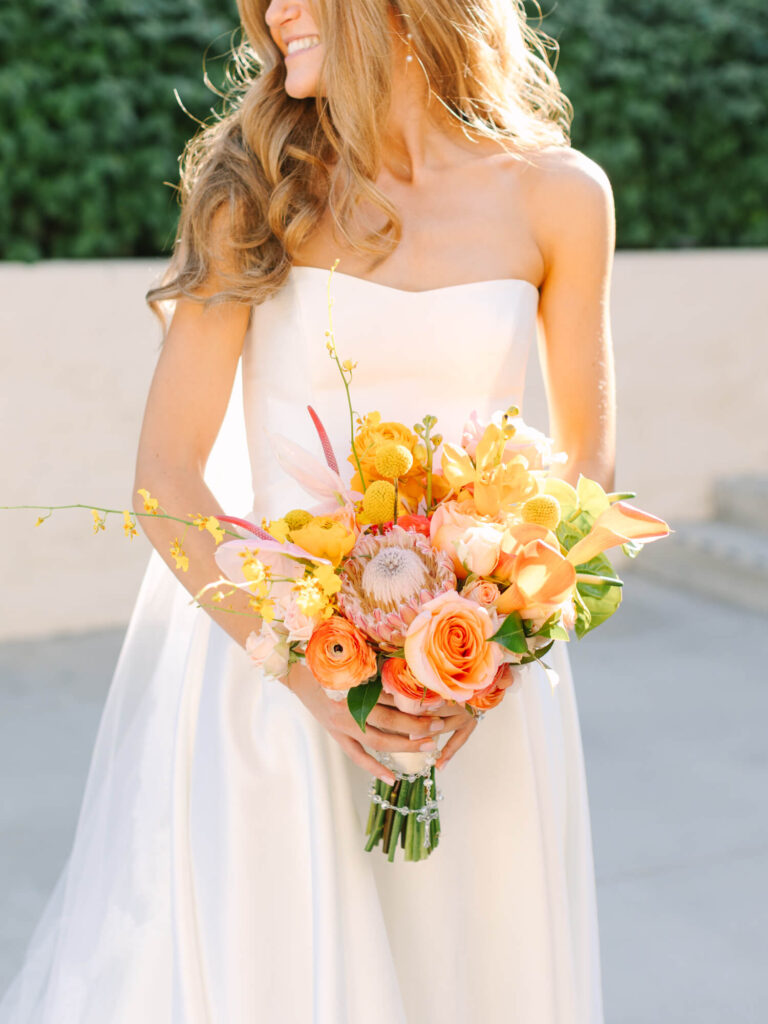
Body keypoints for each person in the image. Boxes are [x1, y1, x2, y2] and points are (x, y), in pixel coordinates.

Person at [0, 0, 614, 1020]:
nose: (272, 10)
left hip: (479, 701)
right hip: (276, 696)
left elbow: (586, 465)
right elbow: (167, 478)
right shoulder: (252, 188)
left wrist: (496, 640)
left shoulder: (560, 197)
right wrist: (302, 670)